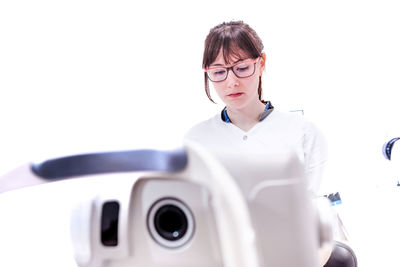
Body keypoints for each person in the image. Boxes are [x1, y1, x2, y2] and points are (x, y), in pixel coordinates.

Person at [184, 20, 328, 197]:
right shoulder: (196, 141)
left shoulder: (303, 133)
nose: (232, 83)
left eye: (242, 68)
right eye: (219, 72)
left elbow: (322, 210)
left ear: (261, 64)